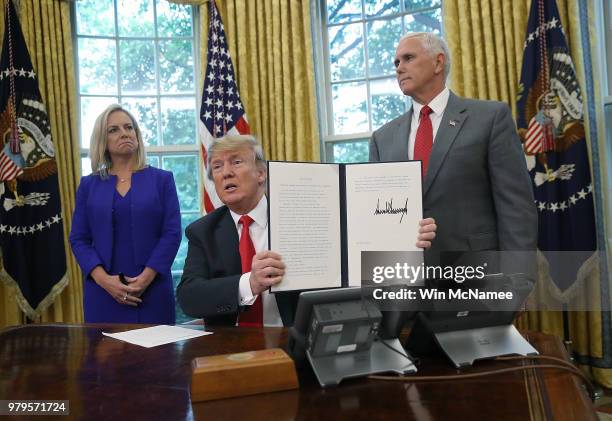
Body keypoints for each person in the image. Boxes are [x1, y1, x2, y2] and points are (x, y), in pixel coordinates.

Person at [177, 134, 437, 327]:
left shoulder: (309, 213)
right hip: (231, 350)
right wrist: (250, 283)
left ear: (261, 173)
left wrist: (404, 241)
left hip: (300, 338)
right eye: (217, 167)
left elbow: (351, 267)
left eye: (236, 162)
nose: (226, 173)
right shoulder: (202, 232)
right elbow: (189, 298)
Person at [370, 32, 537, 263]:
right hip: (406, 282)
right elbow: (377, 217)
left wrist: (517, 282)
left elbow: (516, 209)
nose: (399, 68)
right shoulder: (382, 138)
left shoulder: (490, 119)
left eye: (408, 58)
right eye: (396, 62)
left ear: (438, 62)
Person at [70, 104, 181, 324]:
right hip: (102, 293)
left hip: (153, 290)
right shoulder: (88, 185)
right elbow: (79, 239)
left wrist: (145, 280)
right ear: (103, 141)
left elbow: (172, 233)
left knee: (158, 357)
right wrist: (104, 281)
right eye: (114, 130)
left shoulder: (162, 180)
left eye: (129, 127)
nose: (124, 133)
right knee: (104, 357)